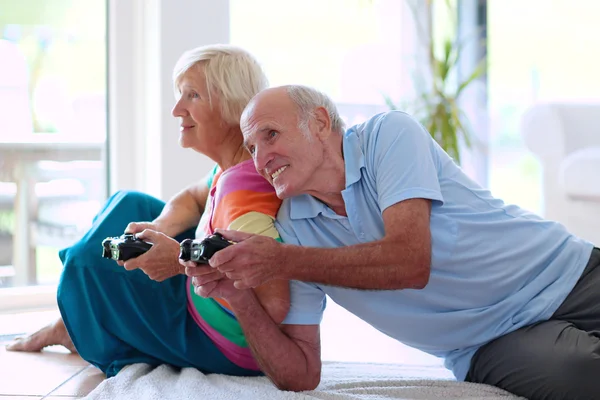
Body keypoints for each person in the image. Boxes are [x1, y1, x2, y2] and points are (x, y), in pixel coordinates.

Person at [190, 84, 599, 399]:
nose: (261, 160)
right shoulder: (292, 230)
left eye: (271, 135)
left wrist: (280, 261)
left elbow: (408, 262)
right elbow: (300, 374)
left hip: (571, 273)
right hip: (490, 341)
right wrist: (241, 297)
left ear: (318, 122)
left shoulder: (387, 136)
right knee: (583, 372)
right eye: (252, 148)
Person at [6, 44, 289, 379]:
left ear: (232, 107)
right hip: (201, 296)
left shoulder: (244, 203)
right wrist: (161, 229)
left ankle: (72, 323)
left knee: (85, 266)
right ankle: (79, 314)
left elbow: (273, 305)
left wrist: (181, 261)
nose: (176, 109)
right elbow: (193, 197)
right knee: (131, 203)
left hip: (221, 342)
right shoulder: (233, 167)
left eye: (192, 95)